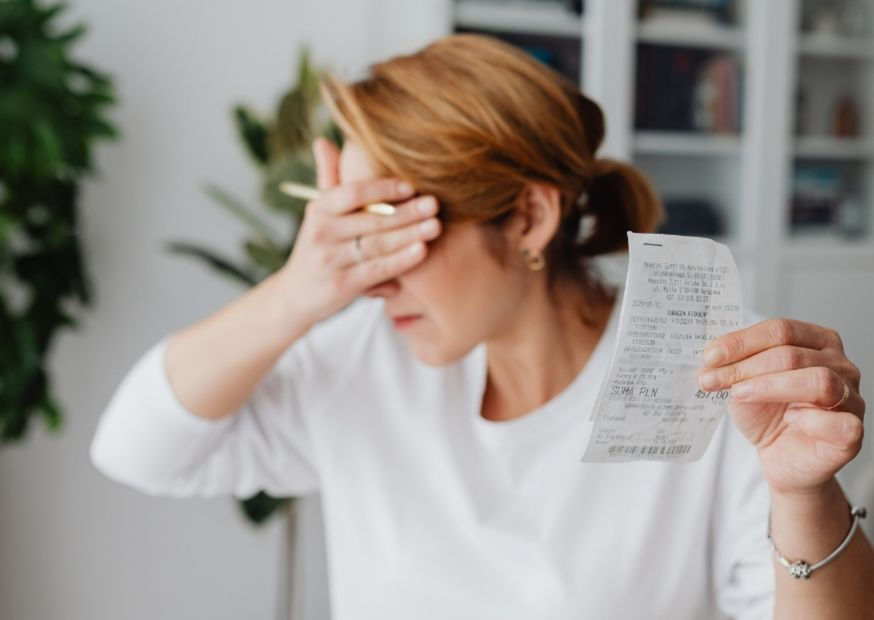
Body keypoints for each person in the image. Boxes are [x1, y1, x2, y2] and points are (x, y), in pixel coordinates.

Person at [90, 34, 872, 619]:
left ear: (528, 217)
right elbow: (137, 450)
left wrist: (803, 496)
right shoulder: (365, 355)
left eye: (393, 230)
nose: (372, 273)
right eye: (351, 234)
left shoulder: (720, 373)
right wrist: (298, 291)